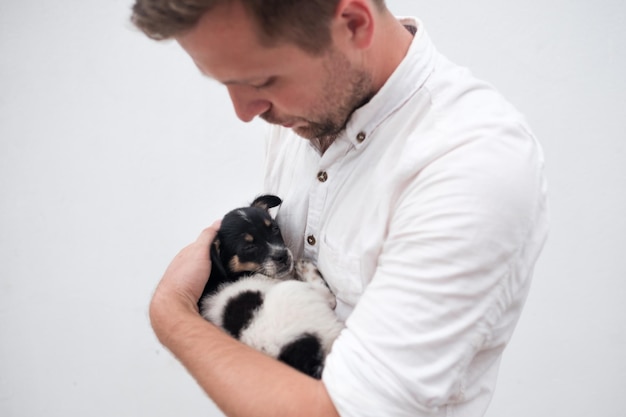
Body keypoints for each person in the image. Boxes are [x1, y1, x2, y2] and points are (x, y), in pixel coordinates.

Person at [131, 0, 549, 416]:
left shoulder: (471, 162)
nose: (244, 112)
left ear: (352, 24)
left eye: (261, 80)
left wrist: (172, 311)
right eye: (225, 82)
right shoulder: (303, 117)